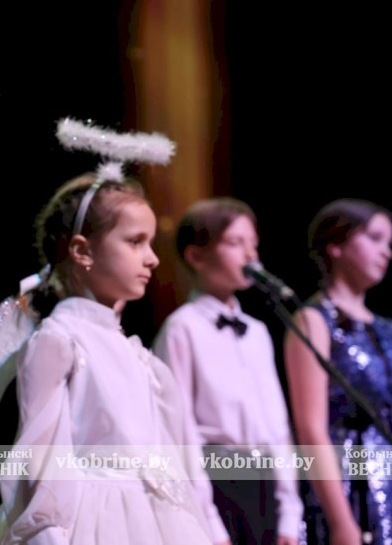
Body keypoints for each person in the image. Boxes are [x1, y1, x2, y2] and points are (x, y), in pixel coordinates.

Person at [0, 171, 227, 544]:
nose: (151, 259)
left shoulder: (142, 357)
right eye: (135, 242)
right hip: (95, 524)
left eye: (150, 244)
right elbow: (44, 462)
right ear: (82, 250)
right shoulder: (59, 340)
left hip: (158, 521)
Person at [151, 197, 303, 545]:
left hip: (266, 483)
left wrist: (290, 511)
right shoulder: (182, 329)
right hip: (219, 484)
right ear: (196, 256)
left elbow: (277, 425)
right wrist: (209, 522)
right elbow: (180, 432)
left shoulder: (258, 332)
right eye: (235, 243)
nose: (250, 255)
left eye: (254, 244)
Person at [284, 198, 392, 544]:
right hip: (349, 485)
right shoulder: (313, 321)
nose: (386, 252)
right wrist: (342, 522)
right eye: (374, 239)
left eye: (389, 243)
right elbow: (311, 429)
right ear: (336, 245)